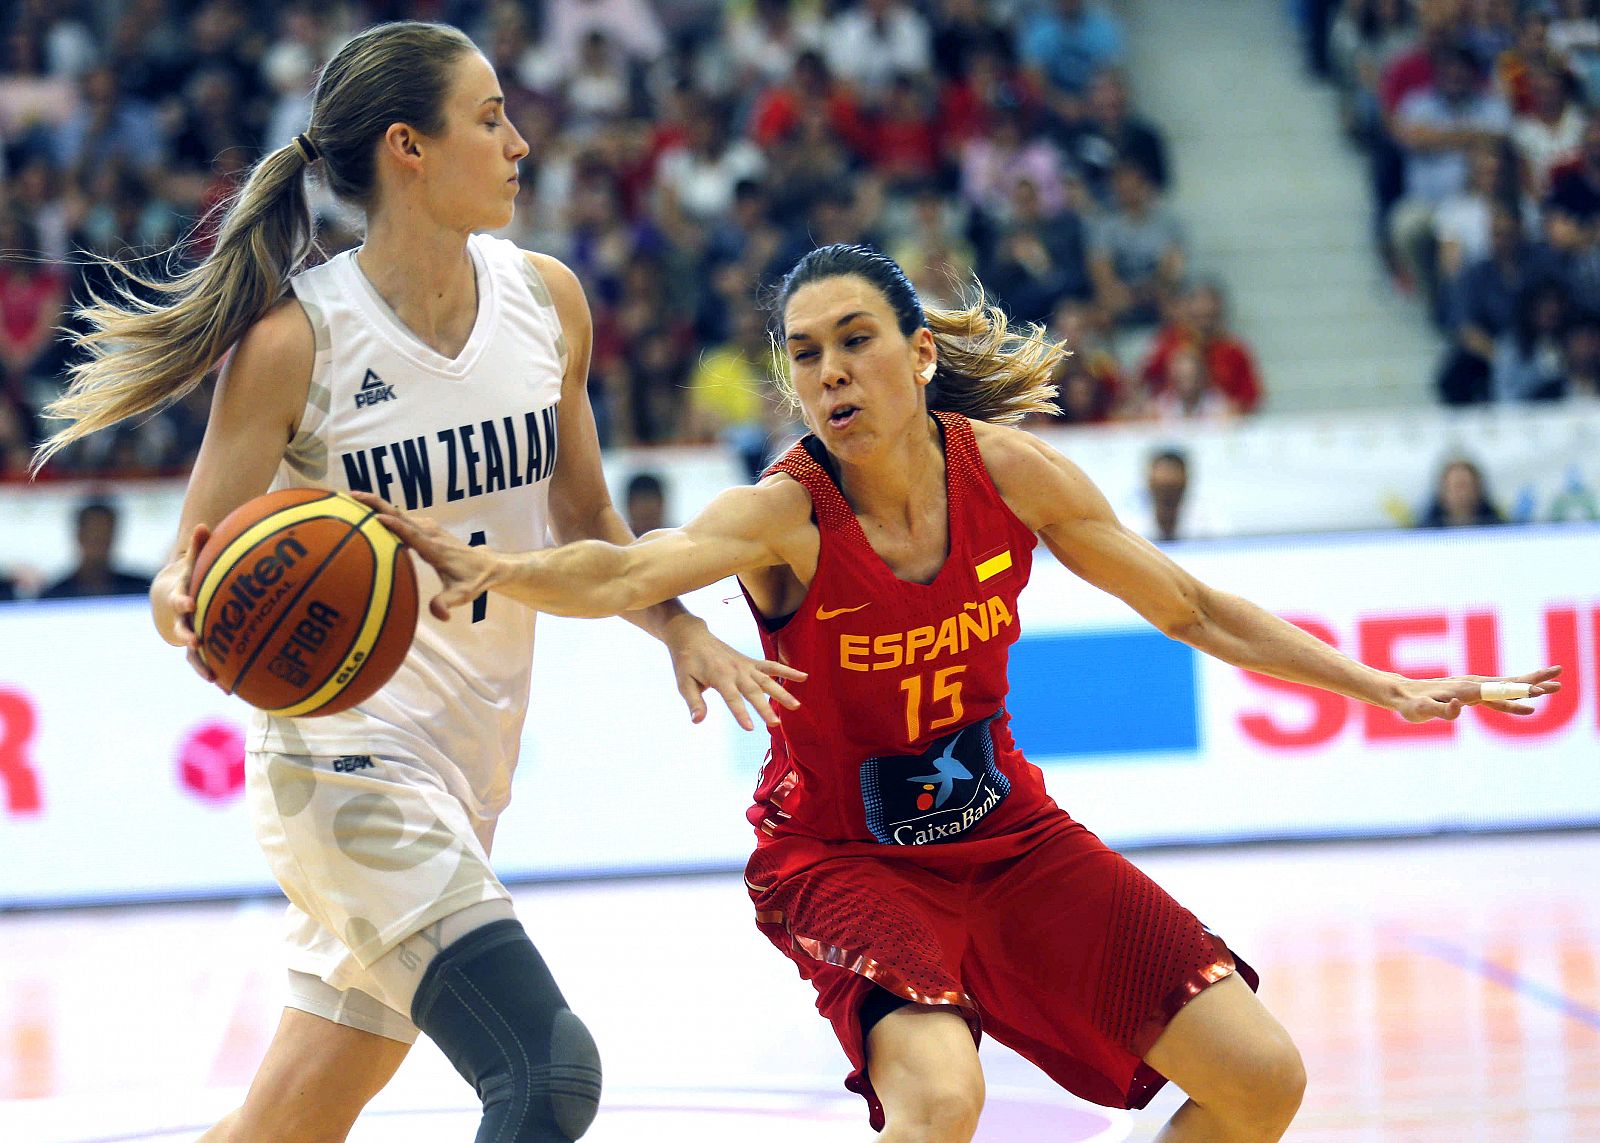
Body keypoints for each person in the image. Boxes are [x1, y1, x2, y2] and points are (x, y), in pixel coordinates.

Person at [368, 243, 1561, 1143]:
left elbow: (1194, 611)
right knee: (940, 1098)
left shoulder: (1011, 473)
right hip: (840, 856)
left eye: (854, 339)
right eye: (805, 353)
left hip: (1011, 839)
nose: (829, 370)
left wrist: (1383, 684)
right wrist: (496, 565)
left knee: (1264, 1077)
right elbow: (628, 567)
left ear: (919, 353)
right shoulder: (786, 513)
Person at [33, 21, 801, 1143]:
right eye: (490, 118)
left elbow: (586, 517)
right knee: (546, 1074)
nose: (521, 143)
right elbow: (187, 562)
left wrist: (677, 625)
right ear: (409, 147)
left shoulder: (549, 301)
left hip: (466, 771)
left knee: (289, 1123)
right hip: (342, 774)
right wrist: (180, 604)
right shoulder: (301, 340)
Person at [38, 498, 153, 600]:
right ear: (79, 536)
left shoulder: (141, 589)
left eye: (105, 534)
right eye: (94, 536)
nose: (100, 544)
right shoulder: (53, 596)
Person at [1418, 457, 1507, 526]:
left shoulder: (1502, 531)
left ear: (1478, 489)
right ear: (1442, 491)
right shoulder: (1423, 534)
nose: (1461, 494)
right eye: (1456, 487)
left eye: (1465, 486)